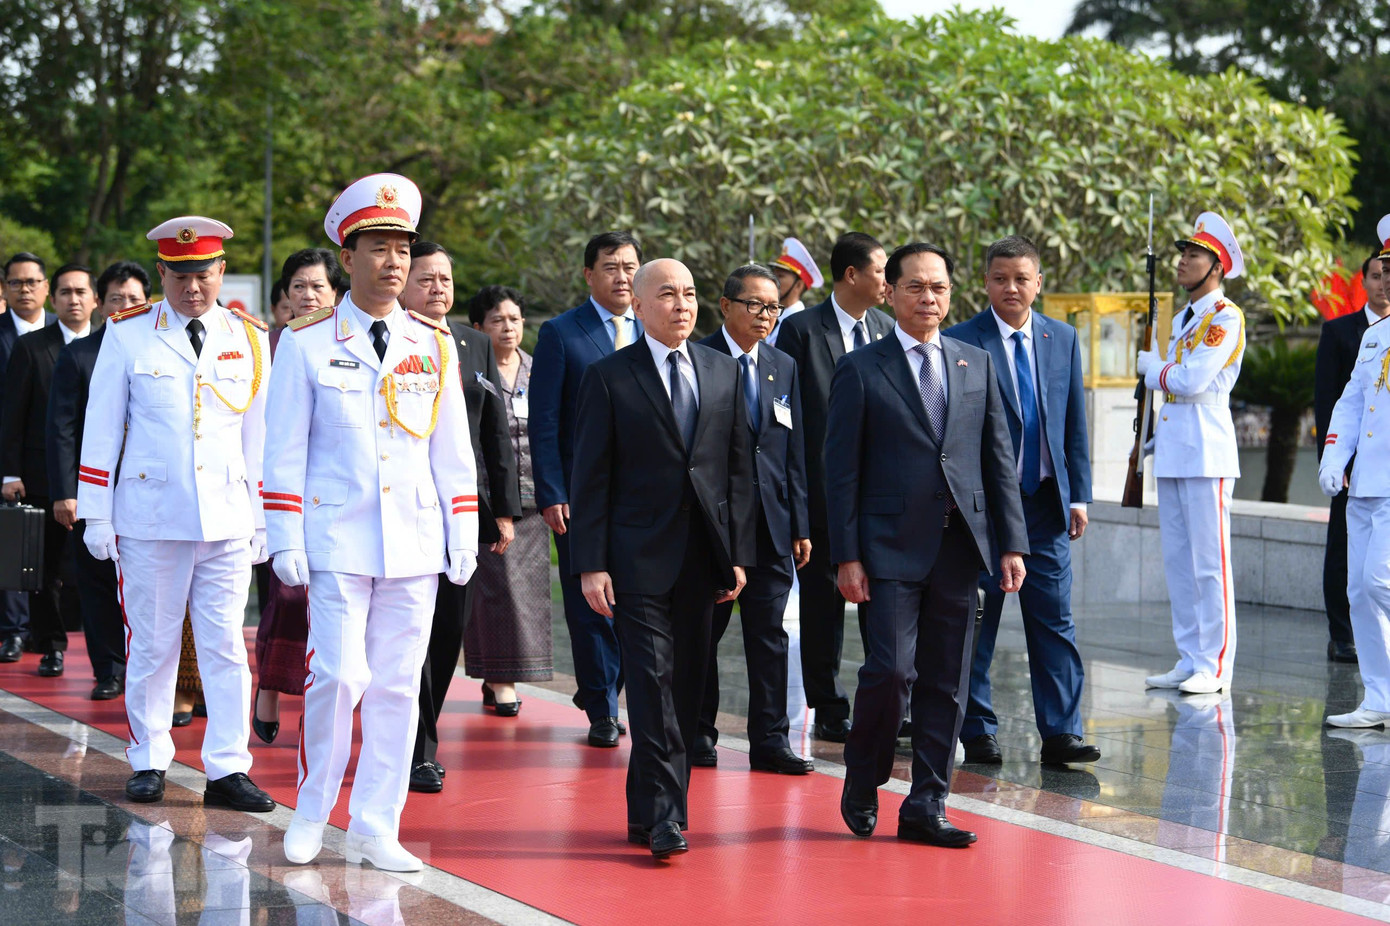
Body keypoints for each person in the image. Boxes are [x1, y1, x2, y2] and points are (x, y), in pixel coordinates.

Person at [264, 173, 478, 872]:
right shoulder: (304, 343)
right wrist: (285, 535)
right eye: (379, 247)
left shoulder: (434, 343)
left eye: (402, 249)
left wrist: (463, 530)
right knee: (337, 676)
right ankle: (312, 808)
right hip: (336, 537)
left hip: (413, 540)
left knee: (394, 683)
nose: (393, 262)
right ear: (347, 256)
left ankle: (375, 824)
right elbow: (285, 449)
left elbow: (451, 449)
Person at [826, 241, 1027, 848]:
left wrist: (1010, 543)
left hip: (959, 549)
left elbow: (998, 462)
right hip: (885, 549)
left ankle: (926, 803)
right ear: (891, 292)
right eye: (915, 286)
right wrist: (847, 554)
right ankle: (863, 780)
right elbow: (841, 471)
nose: (929, 298)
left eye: (938, 287)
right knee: (889, 672)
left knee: (947, 681)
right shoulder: (862, 368)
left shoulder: (975, 363)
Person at [77, 215, 275, 813]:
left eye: (205, 274)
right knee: (154, 644)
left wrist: (264, 518)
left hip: (226, 517)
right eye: (181, 275)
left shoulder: (250, 336)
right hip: (150, 516)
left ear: (221, 272)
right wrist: (97, 514)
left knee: (226, 647)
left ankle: (228, 768)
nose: (194, 287)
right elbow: (102, 428)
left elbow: (258, 437)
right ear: (162, 272)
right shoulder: (128, 334)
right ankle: (148, 757)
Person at [569, 257, 754, 858]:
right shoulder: (608, 376)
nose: (682, 305)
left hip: (703, 558)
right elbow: (590, 478)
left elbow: (738, 469)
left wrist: (738, 554)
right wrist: (589, 562)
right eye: (667, 295)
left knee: (686, 690)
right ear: (640, 307)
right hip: (633, 559)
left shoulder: (722, 372)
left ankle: (645, 814)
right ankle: (670, 817)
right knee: (651, 684)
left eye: (691, 294)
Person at [944, 236, 1099, 766]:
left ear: (1038, 282)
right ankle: (977, 729)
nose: (1011, 287)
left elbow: (1073, 421)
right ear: (985, 282)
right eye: (1000, 278)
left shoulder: (1063, 338)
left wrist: (1079, 495)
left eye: (1021, 278)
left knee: (1054, 620)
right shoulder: (959, 341)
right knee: (978, 622)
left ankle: (1062, 733)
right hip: (984, 511)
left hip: (1046, 504)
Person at [400, 241, 519, 794]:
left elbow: (495, 430)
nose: (439, 288)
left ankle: (422, 727)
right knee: (410, 632)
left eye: (446, 279)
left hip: (464, 509)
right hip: (402, 507)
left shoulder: (473, 343)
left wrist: (506, 510)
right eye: (426, 278)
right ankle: (417, 748)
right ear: (402, 283)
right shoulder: (394, 340)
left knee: (449, 628)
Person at [773, 231, 893, 742]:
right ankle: (827, 704)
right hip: (824, 491)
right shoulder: (801, 330)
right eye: (881, 271)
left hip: (884, 493)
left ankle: (884, 701)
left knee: (883, 600)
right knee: (824, 603)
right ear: (852, 275)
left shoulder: (887, 328)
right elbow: (789, 418)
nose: (888, 282)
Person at [693, 264, 813, 774]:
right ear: (726, 306)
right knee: (705, 631)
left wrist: (801, 523)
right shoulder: (698, 357)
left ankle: (771, 740)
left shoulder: (782, 365)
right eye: (755, 306)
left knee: (769, 635)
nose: (766, 316)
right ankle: (699, 731)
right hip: (715, 526)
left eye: (773, 308)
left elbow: (794, 450)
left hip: (772, 523)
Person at [530, 232, 643, 747]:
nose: (623, 277)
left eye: (631, 267)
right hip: (580, 493)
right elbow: (545, 419)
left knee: (637, 596)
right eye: (612, 267)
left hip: (645, 494)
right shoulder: (561, 333)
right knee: (590, 601)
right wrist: (551, 490)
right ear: (589, 275)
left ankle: (618, 689)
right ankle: (601, 705)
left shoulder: (655, 327)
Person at [1138, 212, 1247, 696]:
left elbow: (1191, 380)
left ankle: (1216, 665)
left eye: (1193, 255)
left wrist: (1152, 369)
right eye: (1182, 254)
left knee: (1210, 562)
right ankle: (1190, 656)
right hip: (1177, 446)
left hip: (1207, 447)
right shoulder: (1184, 317)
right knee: (1179, 560)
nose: (1182, 262)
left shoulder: (1225, 316)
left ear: (1217, 266)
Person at [252, 246, 349, 741]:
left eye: (318, 287)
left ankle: (333, 705)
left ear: (337, 292)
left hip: (346, 502)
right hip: (283, 495)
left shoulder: (355, 343)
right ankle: (269, 688)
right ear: (283, 297)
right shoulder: (267, 346)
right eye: (297, 287)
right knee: (287, 598)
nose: (307, 296)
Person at [47, 261, 150, 698]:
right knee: (96, 582)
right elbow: (62, 428)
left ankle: (155, 672)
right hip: (95, 492)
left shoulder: (161, 349)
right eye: (115, 299)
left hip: (149, 491)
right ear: (100, 304)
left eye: (133, 298)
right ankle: (109, 667)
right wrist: (66, 493)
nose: (125, 306)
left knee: (151, 587)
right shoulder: (80, 353)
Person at [1, 263, 97, 678]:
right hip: (42, 477)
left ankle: (107, 657)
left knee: (95, 572)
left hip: (99, 478)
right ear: (52, 299)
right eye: (65, 293)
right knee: (46, 572)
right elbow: (12, 416)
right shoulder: (32, 347)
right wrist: (10, 473)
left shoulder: (112, 344)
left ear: (94, 298)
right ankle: (51, 647)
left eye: (81, 292)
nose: (73, 300)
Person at [463, 284, 555, 711]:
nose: (508, 327)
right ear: (479, 327)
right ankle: (500, 678)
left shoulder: (539, 371)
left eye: (515, 319)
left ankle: (507, 674)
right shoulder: (472, 372)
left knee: (530, 591)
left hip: (534, 498)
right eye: (497, 320)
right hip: (487, 496)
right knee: (495, 590)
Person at [1318, 214, 1390, 729]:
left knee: (1378, 582)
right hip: (1366, 483)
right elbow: (1349, 401)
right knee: (1358, 590)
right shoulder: (1373, 336)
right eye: (1383, 267)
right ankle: (1380, 696)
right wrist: (1333, 456)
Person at [0, 252, 55, 663]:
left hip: (46, 461)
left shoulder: (60, 333)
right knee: (12, 547)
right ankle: (13, 632)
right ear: (4, 289)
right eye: (16, 283)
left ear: (45, 288)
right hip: (11, 462)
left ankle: (41, 633)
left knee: (40, 553)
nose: (25, 290)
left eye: (32, 282)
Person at [765, 237, 823, 346]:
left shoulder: (804, 325)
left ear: (798, 285)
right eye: (774, 274)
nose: (773, 279)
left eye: (780, 276)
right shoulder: (768, 315)